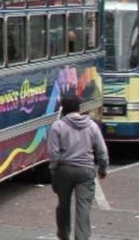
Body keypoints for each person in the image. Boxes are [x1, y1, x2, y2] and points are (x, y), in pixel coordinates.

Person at [48, 94, 108, 240]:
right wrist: (102, 167)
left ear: (63, 109)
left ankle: (63, 234)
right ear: (79, 108)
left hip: (64, 169)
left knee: (63, 205)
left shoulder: (57, 126)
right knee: (83, 208)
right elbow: (102, 150)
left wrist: (54, 169)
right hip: (86, 171)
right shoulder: (91, 125)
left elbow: (54, 154)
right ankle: (82, 237)